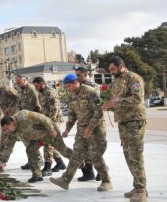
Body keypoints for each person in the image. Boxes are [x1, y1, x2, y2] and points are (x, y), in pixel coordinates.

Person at [50, 74, 112, 192]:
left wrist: (90, 128)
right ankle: (65, 180)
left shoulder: (91, 92)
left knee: (95, 156)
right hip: (81, 129)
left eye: (68, 86)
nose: (67, 88)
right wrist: (67, 129)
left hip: (96, 129)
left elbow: (98, 112)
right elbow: (72, 114)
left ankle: (106, 180)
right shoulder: (72, 95)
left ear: (75, 83)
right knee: (76, 155)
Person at [102, 56, 148, 202]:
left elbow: (137, 99)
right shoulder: (116, 82)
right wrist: (108, 105)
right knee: (128, 154)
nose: (111, 72)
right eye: (109, 70)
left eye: (113, 69)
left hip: (135, 120)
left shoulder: (133, 78)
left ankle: (141, 190)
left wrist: (117, 102)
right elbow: (116, 102)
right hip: (123, 121)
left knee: (135, 154)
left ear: (121, 65)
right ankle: (137, 186)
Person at [0, 110, 72, 183]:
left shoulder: (24, 116)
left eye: (7, 129)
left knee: (64, 151)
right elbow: (8, 145)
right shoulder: (12, 132)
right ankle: (37, 175)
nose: (7, 131)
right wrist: (3, 161)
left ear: (11, 124)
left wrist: (52, 130)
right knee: (30, 150)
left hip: (49, 132)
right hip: (37, 137)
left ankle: (81, 164)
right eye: (5, 130)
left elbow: (43, 118)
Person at [33, 76, 67, 175]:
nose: (36, 88)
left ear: (42, 83)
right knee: (51, 142)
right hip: (47, 120)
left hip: (55, 120)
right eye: (35, 86)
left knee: (48, 141)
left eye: (37, 86)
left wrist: (50, 124)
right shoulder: (41, 93)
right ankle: (60, 163)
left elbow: (55, 109)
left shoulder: (50, 92)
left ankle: (48, 167)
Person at [14, 75, 42, 171]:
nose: (18, 84)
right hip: (24, 119)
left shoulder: (32, 89)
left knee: (31, 142)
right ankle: (31, 160)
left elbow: (37, 104)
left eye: (19, 82)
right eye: (17, 83)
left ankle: (38, 160)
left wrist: (36, 119)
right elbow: (18, 103)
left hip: (32, 118)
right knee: (26, 142)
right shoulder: (20, 90)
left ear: (24, 80)